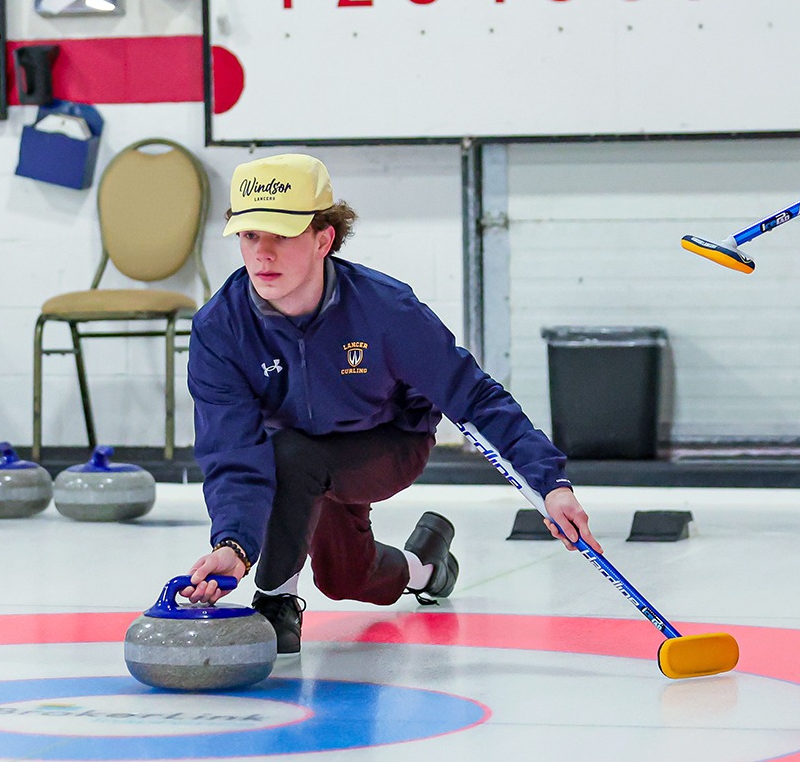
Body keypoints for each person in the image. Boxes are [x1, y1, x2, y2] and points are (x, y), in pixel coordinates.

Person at [180, 154, 596, 653]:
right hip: (298, 455)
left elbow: (473, 396)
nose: (263, 254)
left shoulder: (385, 308)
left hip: (386, 442)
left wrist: (550, 483)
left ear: (323, 239)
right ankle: (427, 567)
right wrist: (233, 544)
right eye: (250, 236)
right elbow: (231, 451)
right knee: (344, 578)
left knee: (291, 455)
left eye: (282, 236)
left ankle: (275, 603)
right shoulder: (220, 328)